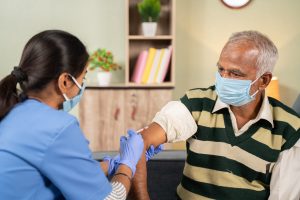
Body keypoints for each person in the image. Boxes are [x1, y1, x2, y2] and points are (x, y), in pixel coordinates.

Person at [130, 31, 300, 200]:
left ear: (263, 81)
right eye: (220, 69)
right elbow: (140, 142)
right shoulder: (197, 103)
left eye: (235, 73)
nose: (223, 79)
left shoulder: (290, 130)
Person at [0, 30, 155, 200]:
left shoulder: (14, 112)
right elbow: (111, 198)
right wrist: (127, 166)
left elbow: (57, 164)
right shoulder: (58, 127)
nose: (83, 84)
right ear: (65, 81)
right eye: (84, 76)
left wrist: (112, 164)